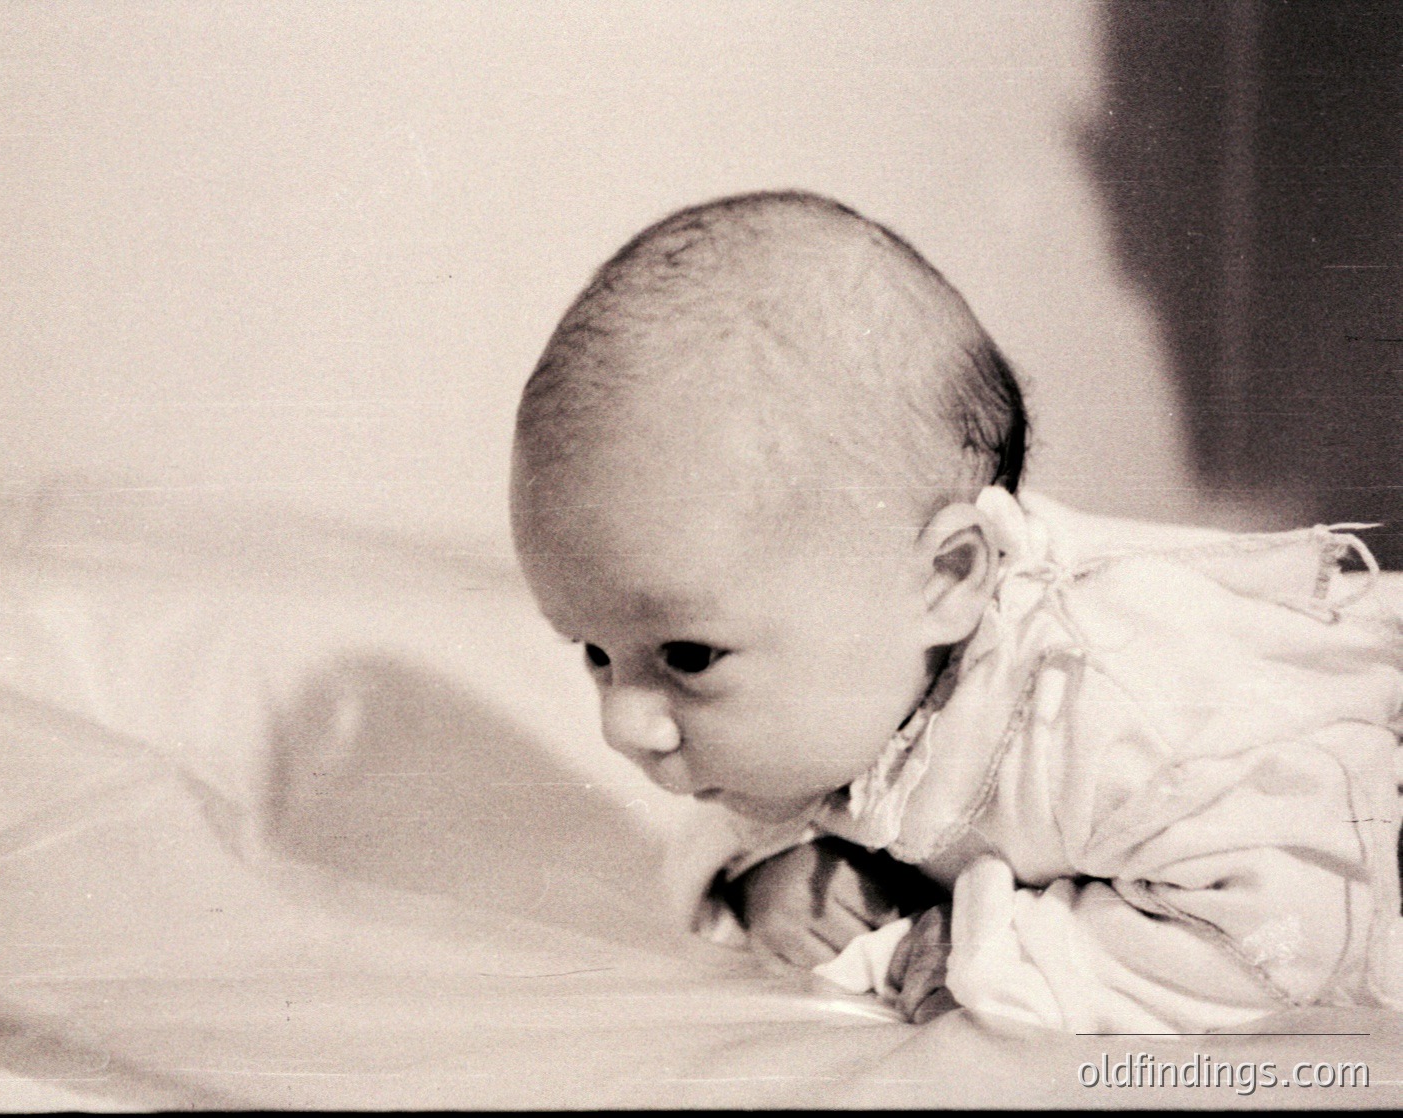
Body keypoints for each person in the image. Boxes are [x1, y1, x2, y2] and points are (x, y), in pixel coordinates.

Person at [508, 190, 1403, 1032]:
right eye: (593, 651)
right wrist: (763, 875)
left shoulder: (1107, 707)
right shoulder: (837, 678)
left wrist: (1016, 950)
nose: (623, 724)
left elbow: (1300, 916)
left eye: (688, 656)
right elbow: (751, 812)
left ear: (947, 579)